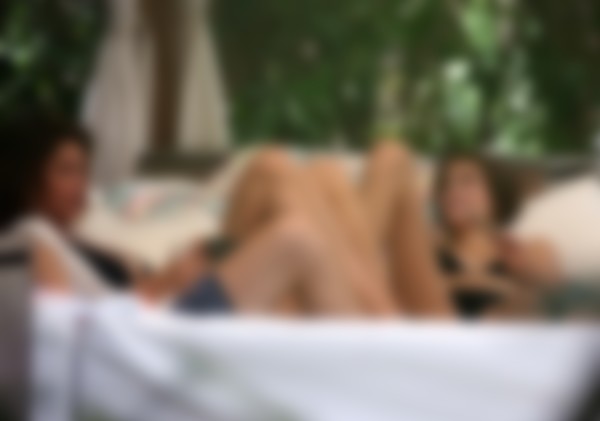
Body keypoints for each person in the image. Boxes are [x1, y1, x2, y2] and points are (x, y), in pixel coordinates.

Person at [0, 113, 452, 317]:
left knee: (306, 170)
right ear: (24, 174)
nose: (82, 186)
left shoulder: (90, 239)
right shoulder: (30, 235)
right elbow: (62, 331)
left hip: (196, 295)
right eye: (66, 171)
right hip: (171, 323)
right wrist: (163, 283)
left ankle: (384, 320)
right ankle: (387, 326)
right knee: (281, 186)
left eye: (84, 172)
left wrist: (173, 272)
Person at [433, 154, 560, 318]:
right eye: (445, 184)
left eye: (467, 181)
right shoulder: (428, 248)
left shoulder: (530, 250)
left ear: (496, 191)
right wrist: (493, 285)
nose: (453, 190)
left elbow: (553, 301)